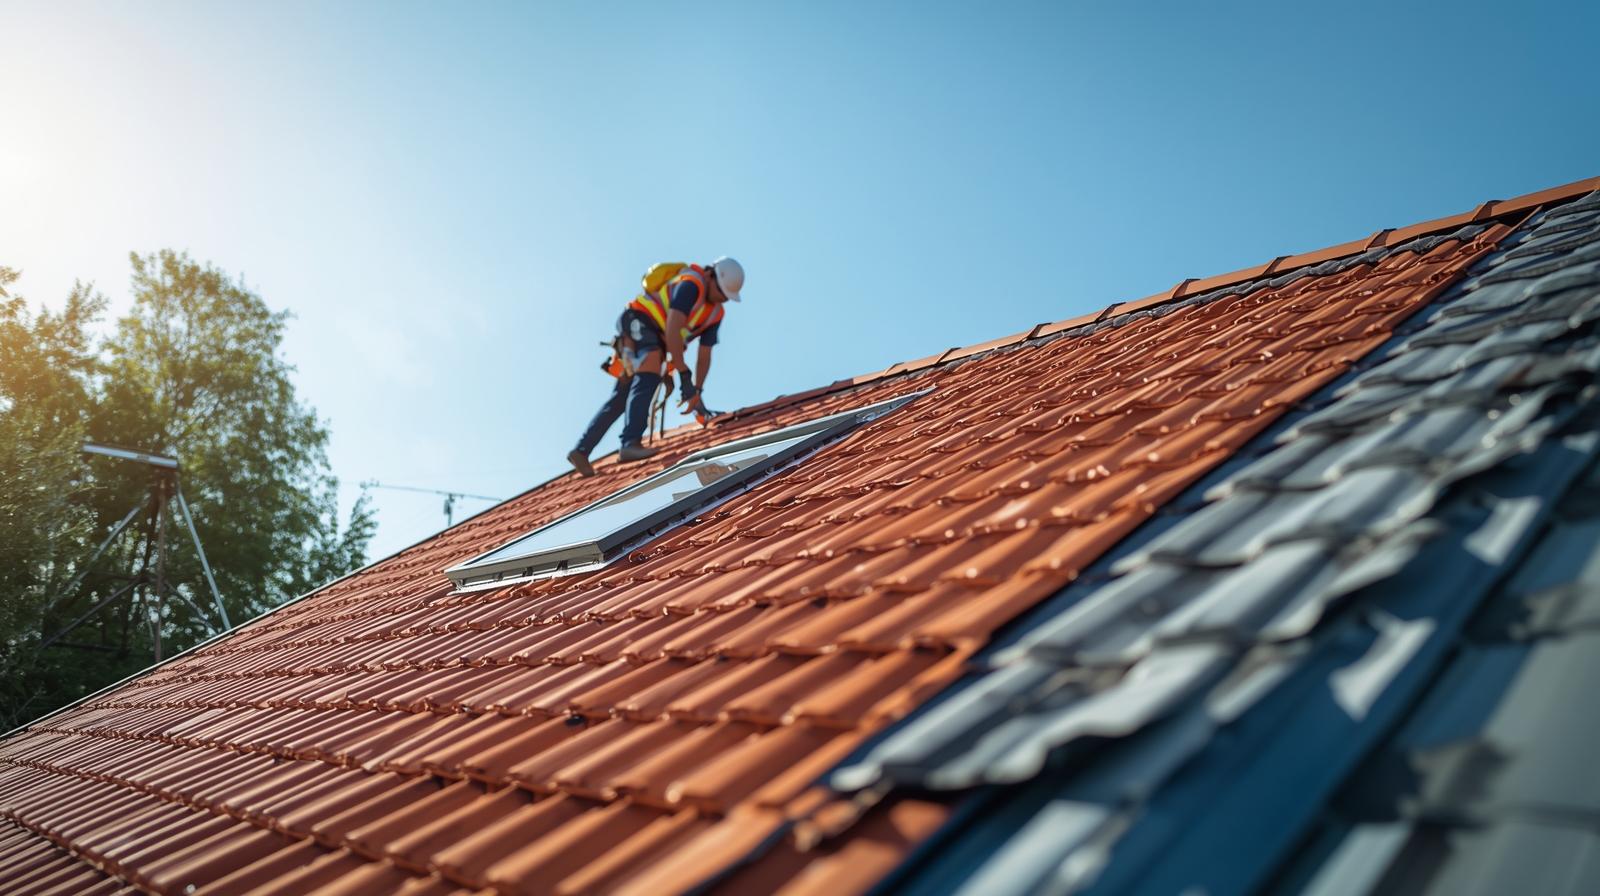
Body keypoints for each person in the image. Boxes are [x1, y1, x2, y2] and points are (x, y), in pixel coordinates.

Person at [568, 257, 744, 477]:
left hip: (654, 337)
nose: (722, 299)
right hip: (639, 320)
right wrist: (683, 374)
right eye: (721, 292)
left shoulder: (716, 313)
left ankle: (582, 450)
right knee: (649, 374)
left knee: (624, 395)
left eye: (726, 297)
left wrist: (696, 391)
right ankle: (630, 443)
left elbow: (704, 355)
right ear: (711, 277)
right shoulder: (691, 285)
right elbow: (672, 329)